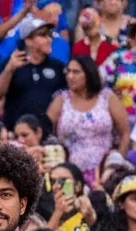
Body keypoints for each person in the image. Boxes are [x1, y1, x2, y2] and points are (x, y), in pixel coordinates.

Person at [48, 55, 130, 188]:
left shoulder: (107, 97)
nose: (70, 76)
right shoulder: (61, 100)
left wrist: (116, 163)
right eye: (68, 71)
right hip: (70, 172)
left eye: (76, 72)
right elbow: (45, 131)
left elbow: (125, 132)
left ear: (88, 74)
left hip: (105, 171)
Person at [0, 17, 64, 131]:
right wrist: (9, 70)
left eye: (49, 35)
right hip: (15, 132)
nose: (49, 39)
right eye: (43, 35)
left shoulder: (57, 66)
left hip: (48, 133)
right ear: (28, 41)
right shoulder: (10, 63)